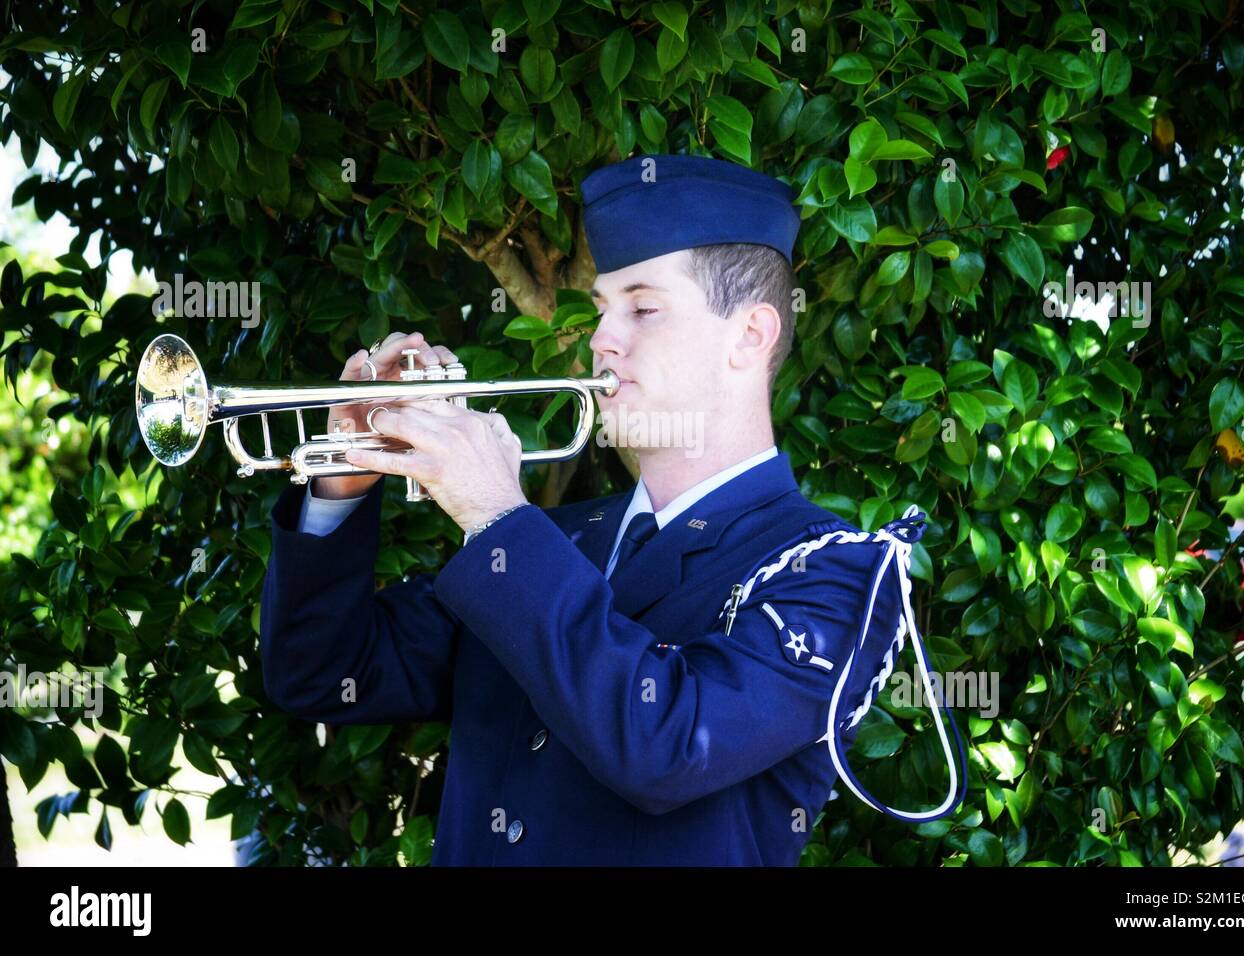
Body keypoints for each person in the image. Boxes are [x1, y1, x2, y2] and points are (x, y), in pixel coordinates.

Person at [259, 153, 965, 865]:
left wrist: (498, 515)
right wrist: (343, 479)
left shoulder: (837, 573)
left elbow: (670, 748)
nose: (602, 339)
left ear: (749, 337)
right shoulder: (549, 541)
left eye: (643, 308)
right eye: (602, 308)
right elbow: (319, 672)